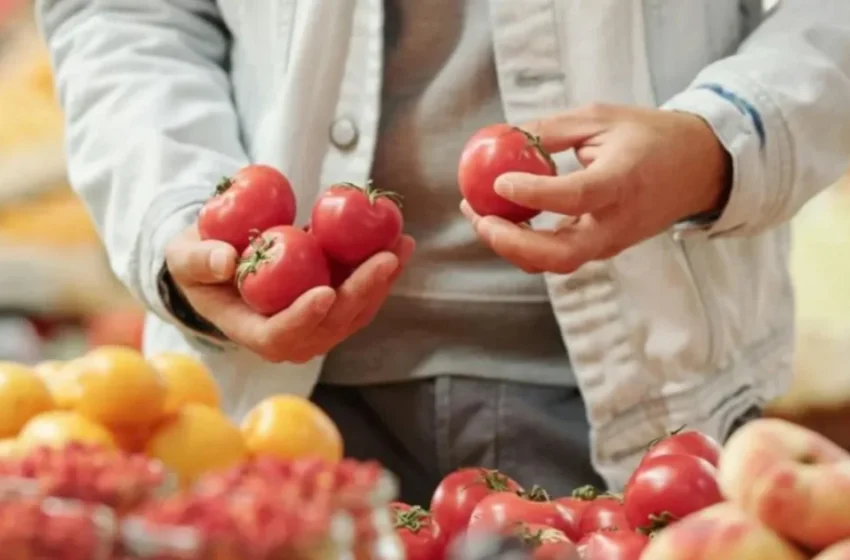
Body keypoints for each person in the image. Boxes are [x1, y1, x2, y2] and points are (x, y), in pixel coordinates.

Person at [38, 0, 850, 503]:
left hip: (648, 399)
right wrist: (180, 208)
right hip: (273, 413)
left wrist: (726, 138)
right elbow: (125, 10)